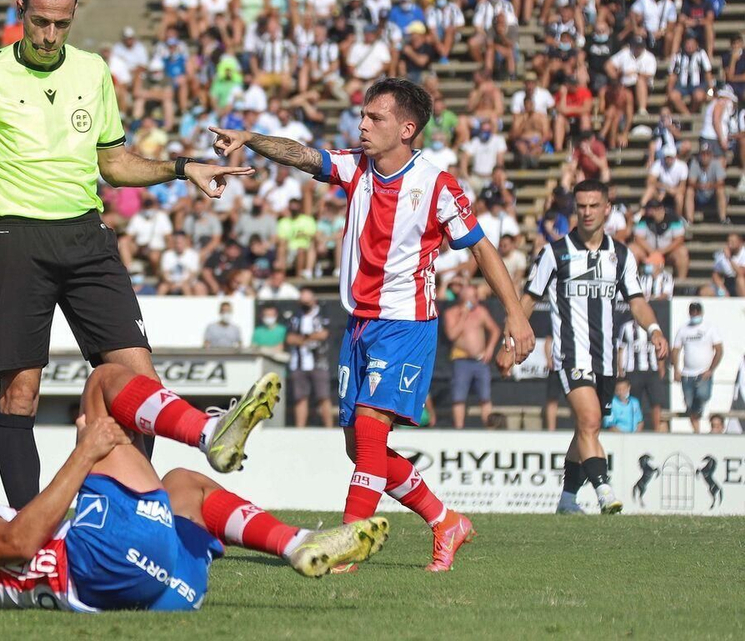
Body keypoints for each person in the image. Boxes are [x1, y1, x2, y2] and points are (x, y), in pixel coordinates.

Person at [0, 0, 250, 510]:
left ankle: (132, 512)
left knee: (139, 380)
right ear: (21, 10)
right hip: (15, 239)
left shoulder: (93, 71)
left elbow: (115, 163)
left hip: (86, 237)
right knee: (21, 393)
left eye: (61, 23)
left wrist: (184, 168)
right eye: (39, 22)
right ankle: (26, 529)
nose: (49, 34)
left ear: (74, 14)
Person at [209, 77, 536, 571]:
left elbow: (482, 248)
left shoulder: (436, 184)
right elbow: (302, 155)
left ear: (407, 128)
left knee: (368, 433)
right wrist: (250, 138)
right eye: (362, 115)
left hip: (405, 324)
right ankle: (446, 521)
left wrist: (514, 313)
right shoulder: (355, 168)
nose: (361, 124)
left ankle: (345, 547)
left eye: (374, 118)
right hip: (359, 324)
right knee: (359, 448)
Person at [0, 367, 389, 610]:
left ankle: (297, 545)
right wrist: (86, 451)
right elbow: (18, 546)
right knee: (101, 387)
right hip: (96, 559)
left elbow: (1, 557)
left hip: (153, 592)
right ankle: (206, 430)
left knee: (184, 488)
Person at [515, 181, 667, 515]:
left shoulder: (621, 254)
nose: (586, 212)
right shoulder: (555, 253)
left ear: (606, 209)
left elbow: (637, 301)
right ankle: (604, 491)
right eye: (580, 206)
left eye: (592, 206)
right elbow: (528, 299)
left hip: (606, 359)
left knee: (586, 429)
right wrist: (509, 340)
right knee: (590, 419)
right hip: (571, 353)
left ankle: (567, 500)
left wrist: (654, 329)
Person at [443, 282, 499, 429]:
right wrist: (464, 315)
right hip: (461, 360)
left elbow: (495, 330)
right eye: (473, 297)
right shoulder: (451, 313)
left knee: (485, 397)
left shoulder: (481, 311)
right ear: (465, 298)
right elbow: (452, 335)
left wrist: (490, 348)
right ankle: (459, 429)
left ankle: (490, 428)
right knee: (459, 397)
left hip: (480, 361)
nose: (477, 299)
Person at [670, 301, 722, 433]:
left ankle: (698, 416)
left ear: (701, 312)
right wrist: (676, 369)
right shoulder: (683, 329)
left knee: (703, 395)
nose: (694, 314)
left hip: (703, 372)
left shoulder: (710, 328)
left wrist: (711, 369)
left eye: (697, 312)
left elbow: (719, 350)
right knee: (689, 403)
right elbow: (676, 350)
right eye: (692, 312)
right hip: (687, 374)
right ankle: (696, 430)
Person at [285, 288, 334, 427]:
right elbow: (289, 338)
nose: (305, 304)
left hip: (319, 362)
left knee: (323, 396)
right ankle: (300, 429)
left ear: (314, 300)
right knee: (300, 397)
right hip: (298, 363)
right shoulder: (295, 317)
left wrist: (304, 338)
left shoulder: (322, 315)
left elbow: (324, 334)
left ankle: (329, 429)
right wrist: (309, 337)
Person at [615, 320, 664, 432]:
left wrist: (661, 366)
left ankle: (657, 431)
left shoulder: (653, 328)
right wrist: (619, 368)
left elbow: (659, 347)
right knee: (634, 401)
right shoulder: (626, 327)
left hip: (651, 370)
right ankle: (635, 430)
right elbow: (621, 349)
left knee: (656, 402)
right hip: (633, 370)